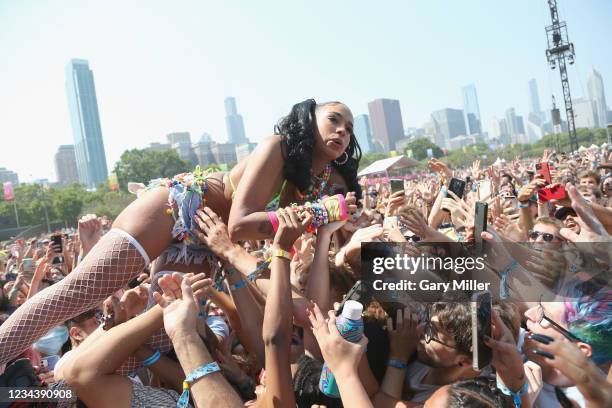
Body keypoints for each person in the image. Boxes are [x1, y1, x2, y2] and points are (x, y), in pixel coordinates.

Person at [0, 99, 361, 366]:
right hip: (177, 209)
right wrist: (312, 214)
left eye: (349, 127)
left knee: (161, 334)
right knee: (77, 293)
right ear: (309, 121)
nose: (343, 130)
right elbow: (238, 225)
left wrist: (324, 222)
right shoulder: (277, 147)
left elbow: (266, 249)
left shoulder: (315, 181)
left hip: (205, 242)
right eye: (334, 119)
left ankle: (61, 383)